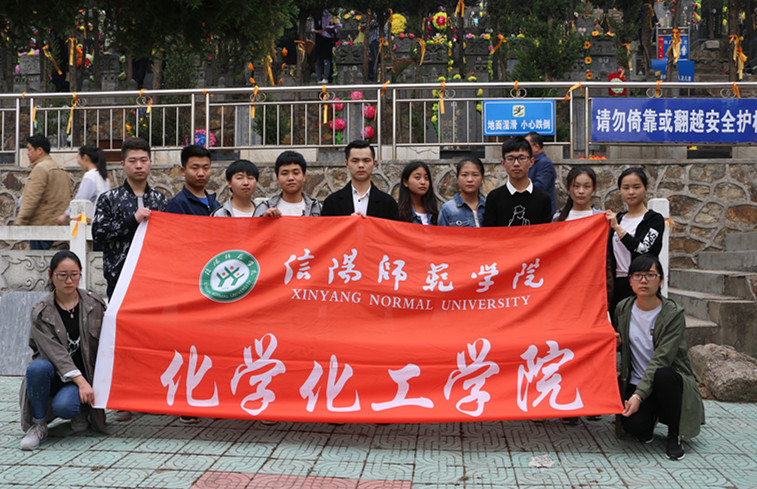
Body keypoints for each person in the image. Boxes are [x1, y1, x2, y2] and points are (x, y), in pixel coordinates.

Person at [615, 254, 704, 460]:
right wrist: (617, 342)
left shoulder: (673, 314)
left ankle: (674, 434)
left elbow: (662, 358)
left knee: (663, 375)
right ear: (630, 281)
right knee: (633, 426)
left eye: (650, 275)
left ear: (661, 280)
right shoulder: (623, 308)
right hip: (638, 380)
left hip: (669, 380)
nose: (643, 280)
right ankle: (649, 418)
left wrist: (638, 396)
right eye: (637, 275)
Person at [19, 251, 107, 450]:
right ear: (51, 275)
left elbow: (107, 340)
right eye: (63, 275)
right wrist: (81, 383)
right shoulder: (41, 311)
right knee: (37, 368)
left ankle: (81, 409)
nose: (69, 281)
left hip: (84, 374)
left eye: (74, 275)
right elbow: (55, 354)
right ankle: (39, 424)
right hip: (54, 374)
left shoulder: (93, 304)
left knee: (65, 406)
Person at [93, 136, 168, 302]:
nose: (139, 165)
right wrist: (132, 220)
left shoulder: (160, 200)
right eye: (132, 161)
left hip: (153, 278)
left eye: (143, 160)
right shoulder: (109, 198)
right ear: (122, 164)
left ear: (150, 162)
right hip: (119, 278)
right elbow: (98, 233)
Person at [606, 167, 665, 315]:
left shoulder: (655, 220)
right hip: (618, 284)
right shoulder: (618, 218)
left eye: (636, 187)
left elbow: (642, 249)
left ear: (646, 188)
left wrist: (617, 228)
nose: (631, 192)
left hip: (643, 283)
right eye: (626, 188)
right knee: (619, 324)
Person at [14, 134, 72, 250]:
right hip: (57, 223)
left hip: (41, 223)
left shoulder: (40, 169)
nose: (27, 153)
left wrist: (20, 220)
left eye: (29, 149)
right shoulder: (61, 169)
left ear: (39, 150)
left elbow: (32, 197)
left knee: (37, 259)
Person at [483, 136, 552, 227]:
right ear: (503, 163)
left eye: (522, 158)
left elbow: (546, 232)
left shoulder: (543, 198)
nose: (516, 164)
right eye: (510, 159)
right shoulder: (494, 198)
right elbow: (489, 232)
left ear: (531, 162)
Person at [321, 140, 399, 220]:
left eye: (366, 160)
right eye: (355, 161)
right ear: (347, 164)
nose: (361, 165)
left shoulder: (388, 203)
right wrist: (347, 222)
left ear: (374, 164)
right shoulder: (332, 203)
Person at [254, 151, 322, 217]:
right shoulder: (264, 208)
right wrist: (263, 221)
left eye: (296, 173)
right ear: (277, 178)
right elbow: (253, 225)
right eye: (285, 173)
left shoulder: (317, 208)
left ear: (304, 176)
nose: (290, 178)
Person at [56, 146, 111, 225]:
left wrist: (65, 215)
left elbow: (80, 199)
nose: (79, 164)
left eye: (79, 161)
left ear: (85, 158)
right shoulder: (105, 177)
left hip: (93, 220)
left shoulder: (90, 176)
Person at [165, 145, 220, 216]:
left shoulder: (215, 204)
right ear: (183, 171)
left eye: (206, 168)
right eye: (195, 168)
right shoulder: (177, 204)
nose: (201, 173)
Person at [438, 156, 485, 227]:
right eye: (464, 175)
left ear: (482, 178)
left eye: (475, 175)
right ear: (457, 178)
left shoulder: (488, 208)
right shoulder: (447, 209)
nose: (469, 179)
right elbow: (441, 234)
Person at [525, 131, 557, 214]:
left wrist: (522, 190)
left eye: (527, 146)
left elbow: (541, 186)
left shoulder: (545, 163)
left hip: (543, 210)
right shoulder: (532, 161)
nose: (524, 149)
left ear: (536, 147)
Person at [313, 9, 341, 84]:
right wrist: (319, 31)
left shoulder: (333, 17)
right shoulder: (317, 18)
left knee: (327, 59)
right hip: (319, 40)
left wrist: (331, 30)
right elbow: (313, 29)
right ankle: (319, 78)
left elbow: (336, 28)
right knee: (318, 60)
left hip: (328, 40)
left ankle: (326, 77)